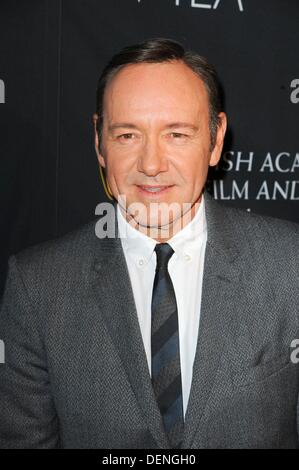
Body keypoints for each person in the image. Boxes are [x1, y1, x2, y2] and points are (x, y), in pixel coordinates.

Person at [0, 38, 298, 449]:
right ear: (99, 141)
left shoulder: (290, 264)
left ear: (215, 140)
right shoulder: (38, 287)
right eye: (127, 136)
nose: (152, 164)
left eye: (176, 134)